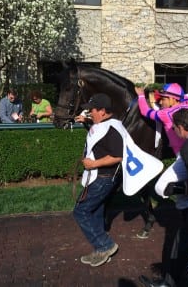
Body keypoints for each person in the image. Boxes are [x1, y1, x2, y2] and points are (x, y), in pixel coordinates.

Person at [139, 108, 188, 287]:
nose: (173, 131)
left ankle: (168, 283)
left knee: (181, 240)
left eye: (174, 127)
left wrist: (180, 189)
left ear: (181, 127)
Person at [135, 83, 188, 236]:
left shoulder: (166, 114)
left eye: (164, 99)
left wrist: (141, 95)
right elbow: (186, 97)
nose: (160, 102)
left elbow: (145, 111)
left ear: (174, 99)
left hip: (184, 156)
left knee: (161, 187)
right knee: (181, 200)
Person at [73, 93, 122, 267]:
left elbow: (117, 156)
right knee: (96, 211)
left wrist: (93, 164)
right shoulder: (105, 123)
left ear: (102, 111)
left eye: (91, 110)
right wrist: (86, 121)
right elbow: (100, 137)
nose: (89, 113)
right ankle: (101, 250)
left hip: (103, 178)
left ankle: (105, 245)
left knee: (80, 211)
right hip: (100, 177)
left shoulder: (112, 129)